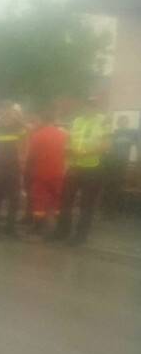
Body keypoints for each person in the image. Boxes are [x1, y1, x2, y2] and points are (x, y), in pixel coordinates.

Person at [50, 98, 111, 246]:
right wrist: (67, 149)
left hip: (93, 168)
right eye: (86, 105)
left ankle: (80, 236)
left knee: (87, 204)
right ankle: (62, 231)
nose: (88, 108)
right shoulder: (77, 121)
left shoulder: (103, 121)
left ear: (96, 107)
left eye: (91, 106)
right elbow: (69, 141)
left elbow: (106, 146)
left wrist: (84, 153)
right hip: (74, 166)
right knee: (66, 200)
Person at [0, 105, 26, 238]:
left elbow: (24, 142)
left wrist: (22, 159)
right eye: (5, 111)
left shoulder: (18, 126)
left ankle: (10, 228)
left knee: (14, 198)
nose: (8, 114)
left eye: (10, 112)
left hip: (13, 167)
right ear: (0, 112)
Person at [24, 110, 67, 236]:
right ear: (54, 120)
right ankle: (60, 226)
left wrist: (27, 170)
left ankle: (38, 227)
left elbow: (31, 156)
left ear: (43, 120)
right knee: (58, 199)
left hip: (40, 172)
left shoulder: (37, 135)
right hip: (58, 172)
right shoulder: (63, 134)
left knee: (39, 200)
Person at [102, 115, 139, 217]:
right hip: (111, 163)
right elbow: (108, 148)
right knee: (108, 186)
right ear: (118, 123)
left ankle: (113, 211)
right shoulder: (114, 133)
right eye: (120, 121)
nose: (122, 123)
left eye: (124, 121)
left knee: (117, 186)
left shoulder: (132, 133)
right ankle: (106, 210)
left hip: (122, 163)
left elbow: (137, 145)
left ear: (127, 122)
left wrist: (137, 160)